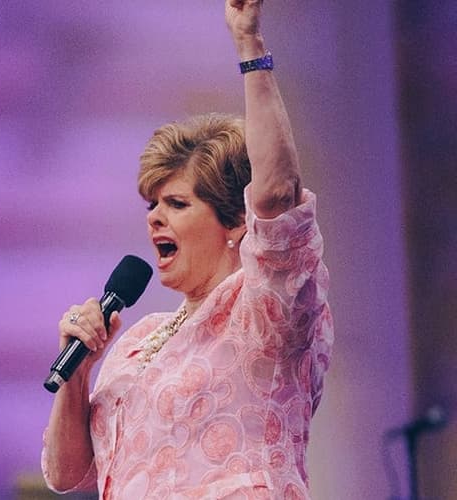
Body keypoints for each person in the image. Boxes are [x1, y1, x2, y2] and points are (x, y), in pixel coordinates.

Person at [41, 1, 333, 498]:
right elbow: (67, 475)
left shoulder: (265, 312)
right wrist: (79, 372)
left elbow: (278, 196)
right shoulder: (138, 341)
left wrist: (250, 46)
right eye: (152, 203)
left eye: (176, 203)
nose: (153, 216)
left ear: (236, 220)